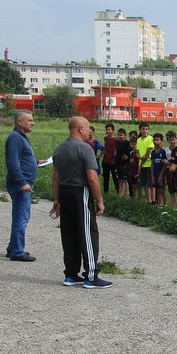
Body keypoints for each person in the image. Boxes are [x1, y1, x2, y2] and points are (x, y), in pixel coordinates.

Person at [49, 116, 112, 289]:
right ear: (80, 129)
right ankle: (91, 275)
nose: (90, 131)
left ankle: (70, 274)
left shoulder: (60, 149)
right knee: (88, 233)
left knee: (69, 233)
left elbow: (55, 176)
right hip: (80, 192)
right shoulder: (85, 149)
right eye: (88, 128)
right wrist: (99, 200)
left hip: (64, 191)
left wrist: (56, 199)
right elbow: (92, 177)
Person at [4, 110, 38, 262]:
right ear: (19, 121)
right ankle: (17, 251)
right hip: (21, 185)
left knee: (21, 216)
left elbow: (23, 160)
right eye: (29, 120)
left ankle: (13, 247)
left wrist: (37, 163)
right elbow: (13, 163)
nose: (33, 123)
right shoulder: (15, 138)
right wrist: (22, 182)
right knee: (21, 217)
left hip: (24, 183)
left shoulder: (21, 137)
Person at [165, 130, 177, 207]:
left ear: (176, 139)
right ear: (167, 140)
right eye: (170, 140)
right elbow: (164, 160)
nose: (172, 141)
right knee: (171, 191)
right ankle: (173, 208)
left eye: (173, 139)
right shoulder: (166, 150)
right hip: (168, 172)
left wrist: (175, 166)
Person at [136, 123, 154, 204]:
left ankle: (151, 201)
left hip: (148, 164)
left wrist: (140, 159)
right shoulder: (138, 140)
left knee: (149, 185)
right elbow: (137, 152)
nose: (145, 131)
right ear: (140, 130)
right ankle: (147, 200)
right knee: (143, 184)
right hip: (141, 165)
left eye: (146, 129)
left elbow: (147, 154)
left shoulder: (150, 139)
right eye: (143, 129)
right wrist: (140, 162)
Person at [100, 123, 119, 194]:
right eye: (106, 130)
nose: (108, 131)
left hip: (113, 161)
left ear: (113, 130)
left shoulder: (116, 139)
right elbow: (105, 147)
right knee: (106, 177)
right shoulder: (105, 138)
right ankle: (106, 191)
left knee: (115, 177)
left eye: (109, 130)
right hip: (106, 160)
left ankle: (118, 191)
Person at [114, 128, 130, 198]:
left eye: (121, 135)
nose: (120, 136)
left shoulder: (127, 143)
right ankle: (120, 193)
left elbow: (129, 152)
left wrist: (126, 156)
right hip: (118, 163)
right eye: (118, 135)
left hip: (124, 163)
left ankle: (127, 193)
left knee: (125, 179)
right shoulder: (117, 142)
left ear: (125, 136)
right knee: (119, 179)